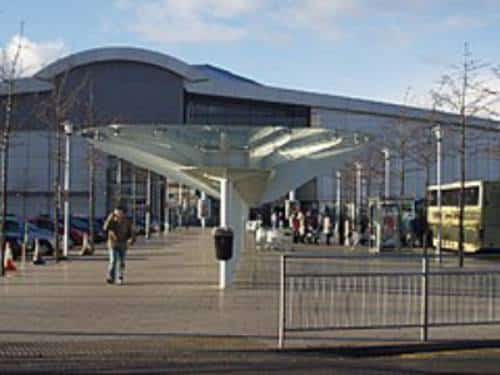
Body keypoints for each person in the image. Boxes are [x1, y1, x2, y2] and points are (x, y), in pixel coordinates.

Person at [103, 206, 135, 285]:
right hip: (113, 243)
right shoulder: (112, 221)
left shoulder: (128, 221)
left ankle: (120, 277)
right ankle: (110, 277)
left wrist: (131, 239)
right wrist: (109, 219)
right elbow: (105, 228)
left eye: (119, 213)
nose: (118, 214)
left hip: (123, 243)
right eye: (116, 213)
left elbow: (132, 232)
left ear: (123, 213)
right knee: (113, 260)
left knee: (121, 261)